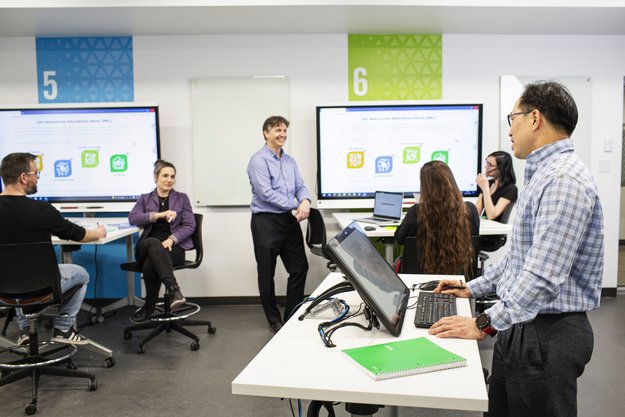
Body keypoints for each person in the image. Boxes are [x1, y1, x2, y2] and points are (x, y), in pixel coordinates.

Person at [429, 81, 604, 417]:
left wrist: (483, 323)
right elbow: (520, 259)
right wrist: (469, 288)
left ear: (534, 118)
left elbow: (541, 276)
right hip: (523, 322)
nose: (510, 131)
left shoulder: (563, 180)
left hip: (547, 335)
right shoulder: (543, 175)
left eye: (513, 118)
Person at [0, 152, 107, 346]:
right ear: (24, 177)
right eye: (36, 172)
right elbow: (78, 234)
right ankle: (64, 328)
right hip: (43, 289)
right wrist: (98, 232)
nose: (38, 177)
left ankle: (25, 330)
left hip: (4, 290)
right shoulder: (42, 210)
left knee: (13, 275)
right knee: (81, 274)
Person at [247, 115, 311, 333]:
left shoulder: (290, 161)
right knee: (267, 273)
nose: (282, 134)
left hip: (289, 220)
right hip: (266, 221)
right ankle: (273, 319)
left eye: (284, 130)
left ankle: (291, 314)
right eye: (277, 130)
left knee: (300, 267)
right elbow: (266, 194)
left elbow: (301, 185)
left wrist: (305, 200)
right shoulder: (258, 160)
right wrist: (297, 204)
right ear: (266, 133)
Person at [127, 159, 195, 323]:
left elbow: (190, 225)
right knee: (153, 243)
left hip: (173, 248)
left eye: (172, 176)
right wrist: (157, 215)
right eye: (165, 175)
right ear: (155, 177)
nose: (169, 179)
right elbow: (133, 218)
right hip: (147, 245)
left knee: (151, 263)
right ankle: (174, 290)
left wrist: (172, 239)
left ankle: (150, 305)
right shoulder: (145, 199)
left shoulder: (182, 198)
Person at [394, 160, 479, 278]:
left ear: (425, 186)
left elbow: (400, 238)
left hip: (420, 280)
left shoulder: (417, 211)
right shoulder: (470, 209)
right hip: (458, 281)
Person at [476, 150, 518, 251]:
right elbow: (476, 212)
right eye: (486, 163)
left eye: (490, 165)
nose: (486, 167)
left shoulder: (510, 189)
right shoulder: (488, 183)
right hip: (482, 231)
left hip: (492, 238)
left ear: (501, 168)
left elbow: (492, 215)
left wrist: (485, 189)